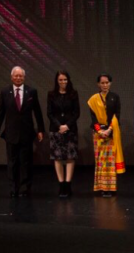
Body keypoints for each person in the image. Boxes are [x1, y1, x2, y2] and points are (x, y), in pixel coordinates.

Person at [0, 66, 45, 197]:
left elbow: (37, 112)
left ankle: (25, 188)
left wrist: (40, 129)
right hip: (11, 133)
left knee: (26, 162)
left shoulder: (31, 92)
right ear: (11, 77)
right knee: (12, 162)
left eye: (20, 76)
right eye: (16, 76)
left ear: (24, 77)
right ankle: (13, 188)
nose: (18, 78)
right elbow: (0, 113)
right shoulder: (5, 91)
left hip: (26, 133)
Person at [87, 73, 125, 197]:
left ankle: (111, 188)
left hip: (111, 133)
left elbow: (117, 115)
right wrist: (100, 131)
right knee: (101, 162)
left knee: (110, 162)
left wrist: (109, 129)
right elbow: (93, 118)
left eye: (107, 82)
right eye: (102, 83)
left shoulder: (115, 97)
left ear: (110, 83)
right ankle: (102, 187)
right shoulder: (93, 99)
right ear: (98, 84)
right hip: (98, 135)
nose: (105, 85)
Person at [47, 70, 80, 198]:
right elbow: (49, 113)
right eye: (61, 80)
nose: (63, 82)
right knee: (58, 158)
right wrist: (59, 126)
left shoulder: (73, 94)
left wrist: (67, 125)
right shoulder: (51, 94)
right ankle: (61, 185)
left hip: (70, 129)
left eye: (65, 79)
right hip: (56, 130)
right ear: (57, 81)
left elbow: (76, 113)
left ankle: (68, 184)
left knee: (70, 157)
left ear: (68, 80)